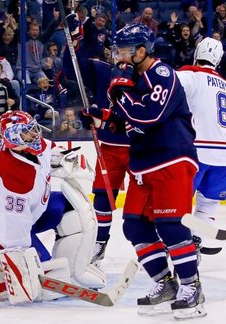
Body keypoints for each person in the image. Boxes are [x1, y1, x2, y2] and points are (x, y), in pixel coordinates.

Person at [89, 23, 204, 319]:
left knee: (170, 226)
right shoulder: (133, 77)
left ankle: (192, 290)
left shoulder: (162, 74)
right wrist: (103, 117)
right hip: (143, 163)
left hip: (171, 159)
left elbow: (149, 115)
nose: (120, 57)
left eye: (125, 51)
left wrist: (121, 97)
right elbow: (127, 122)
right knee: (134, 226)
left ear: (142, 50)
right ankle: (165, 283)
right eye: (117, 51)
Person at [0, 111, 105, 304]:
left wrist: (64, 157)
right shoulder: (14, 178)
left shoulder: (27, 145)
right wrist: (27, 265)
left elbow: (49, 149)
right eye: (27, 132)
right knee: (47, 282)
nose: (34, 133)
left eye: (32, 128)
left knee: (72, 209)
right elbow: (14, 235)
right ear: (14, 138)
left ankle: (76, 268)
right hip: (0, 229)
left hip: (31, 213)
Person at [78, 56, 131, 265]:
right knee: (101, 196)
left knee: (149, 198)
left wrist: (102, 117)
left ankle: (161, 243)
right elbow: (75, 67)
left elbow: (130, 116)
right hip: (109, 148)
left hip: (139, 148)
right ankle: (100, 242)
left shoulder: (147, 75)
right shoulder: (104, 71)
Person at [176, 37, 226, 253]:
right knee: (209, 203)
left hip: (197, 152)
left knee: (178, 202)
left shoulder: (190, 75)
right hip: (224, 157)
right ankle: (195, 239)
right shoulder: (224, 84)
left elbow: (163, 86)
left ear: (197, 53)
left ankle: (177, 243)